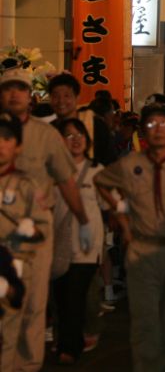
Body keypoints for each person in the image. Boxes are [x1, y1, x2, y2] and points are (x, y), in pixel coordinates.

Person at [94, 103, 165, 372]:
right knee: (145, 324)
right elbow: (101, 181)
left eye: (164, 124)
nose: (158, 130)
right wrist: (122, 217)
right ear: (143, 132)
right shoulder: (131, 163)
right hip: (142, 249)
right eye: (151, 125)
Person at [0, 66, 90, 372]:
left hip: (36, 234)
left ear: (30, 96)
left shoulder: (46, 135)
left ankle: (27, 366)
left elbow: (66, 181)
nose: (14, 94)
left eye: (20, 89)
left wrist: (83, 219)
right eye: (8, 88)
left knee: (35, 305)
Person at [53, 118, 105, 364]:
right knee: (61, 297)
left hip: (87, 247)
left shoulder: (98, 171)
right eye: (69, 135)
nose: (75, 139)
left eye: (79, 134)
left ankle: (69, 348)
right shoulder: (51, 171)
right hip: (58, 246)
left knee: (74, 296)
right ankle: (64, 341)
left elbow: (109, 203)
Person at [0, 113, 48, 370]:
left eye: (7, 139)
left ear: (17, 146)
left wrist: (25, 239)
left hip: (13, 268)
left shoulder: (27, 185)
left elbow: (43, 228)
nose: (0, 145)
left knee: (9, 336)